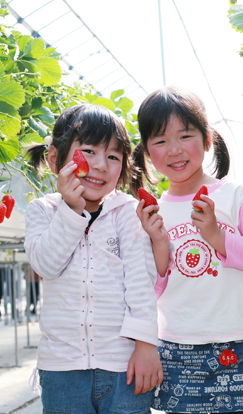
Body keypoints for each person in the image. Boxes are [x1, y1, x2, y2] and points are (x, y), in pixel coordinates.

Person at [132, 86, 243, 414]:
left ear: (207, 139)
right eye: (160, 141)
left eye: (184, 136)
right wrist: (158, 243)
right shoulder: (151, 212)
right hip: (178, 346)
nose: (174, 150)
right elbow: (149, 289)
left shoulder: (235, 196)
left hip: (235, 342)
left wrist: (217, 236)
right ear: (146, 152)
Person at [24, 104, 162, 413]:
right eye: (88, 151)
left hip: (124, 365)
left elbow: (141, 283)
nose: (100, 165)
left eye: (113, 156)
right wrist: (71, 211)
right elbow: (46, 264)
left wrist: (146, 345)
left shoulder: (127, 212)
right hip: (61, 368)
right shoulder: (42, 211)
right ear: (55, 159)